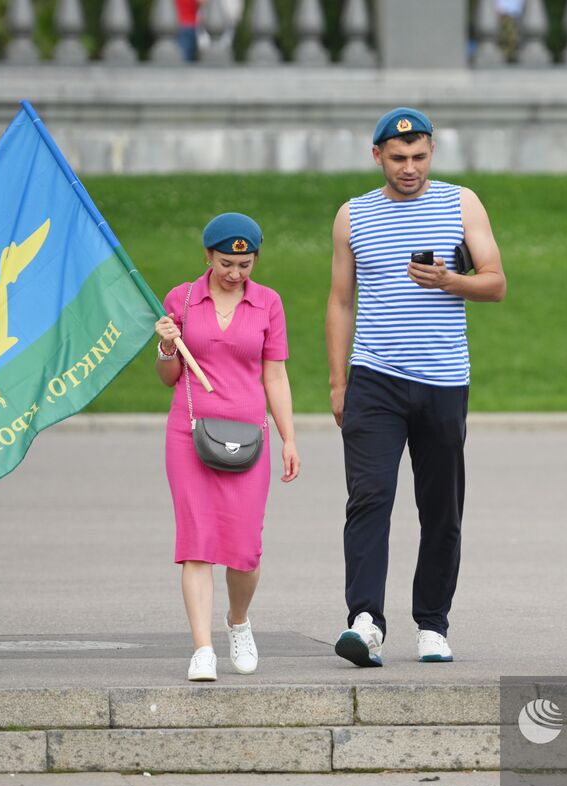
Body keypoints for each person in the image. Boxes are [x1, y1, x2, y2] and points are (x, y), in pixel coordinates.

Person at [325, 107, 506, 667]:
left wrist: (451, 280)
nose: (410, 167)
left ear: (432, 153)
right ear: (376, 155)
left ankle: (432, 623)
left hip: (443, 381)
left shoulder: (461, 202)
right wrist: (338, 383)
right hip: (374, 379)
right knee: (369, 499)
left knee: (441, 507)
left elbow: (496, 283)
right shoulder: (352, 215)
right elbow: (339, 301)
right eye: (398, 158)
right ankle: (365, 621)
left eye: (419, 157)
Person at [152, 213, 299, 682]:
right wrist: (167, 349)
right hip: (189, 432)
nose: (235, 273)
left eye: (245, 263)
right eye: (226, 262)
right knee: (196, 544)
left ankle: (238, 621)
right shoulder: (183, 298)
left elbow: (275, 375)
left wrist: (288, 437)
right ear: (208, 256)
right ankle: (202, 649)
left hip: (248, 434)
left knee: (244, 550)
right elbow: (168, 377)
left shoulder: (268, 303)